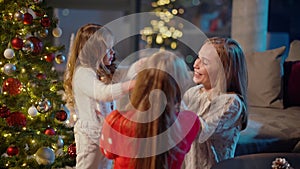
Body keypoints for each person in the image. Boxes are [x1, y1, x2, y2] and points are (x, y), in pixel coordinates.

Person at [100, 50, 201, 169]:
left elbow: (108, 153)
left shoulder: (116, 121)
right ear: (181, 83)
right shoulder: (191, 122)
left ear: (142, 80)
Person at [63, 23, 135, 169]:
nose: (113, 52)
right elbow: (103, 93)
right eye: (108, 49)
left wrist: (144, 65)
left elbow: (128, 71)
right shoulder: (82, 74)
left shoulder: (103, 71)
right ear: (95, 52)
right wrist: (131, 85)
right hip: (89, 136)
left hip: (105, 134)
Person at [181, 37, 248, 169]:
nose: (195, 64)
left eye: (205, 62)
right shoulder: (193, 93)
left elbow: (201, 132)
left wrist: (175, 101)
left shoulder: (231, 102)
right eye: (198, 57)